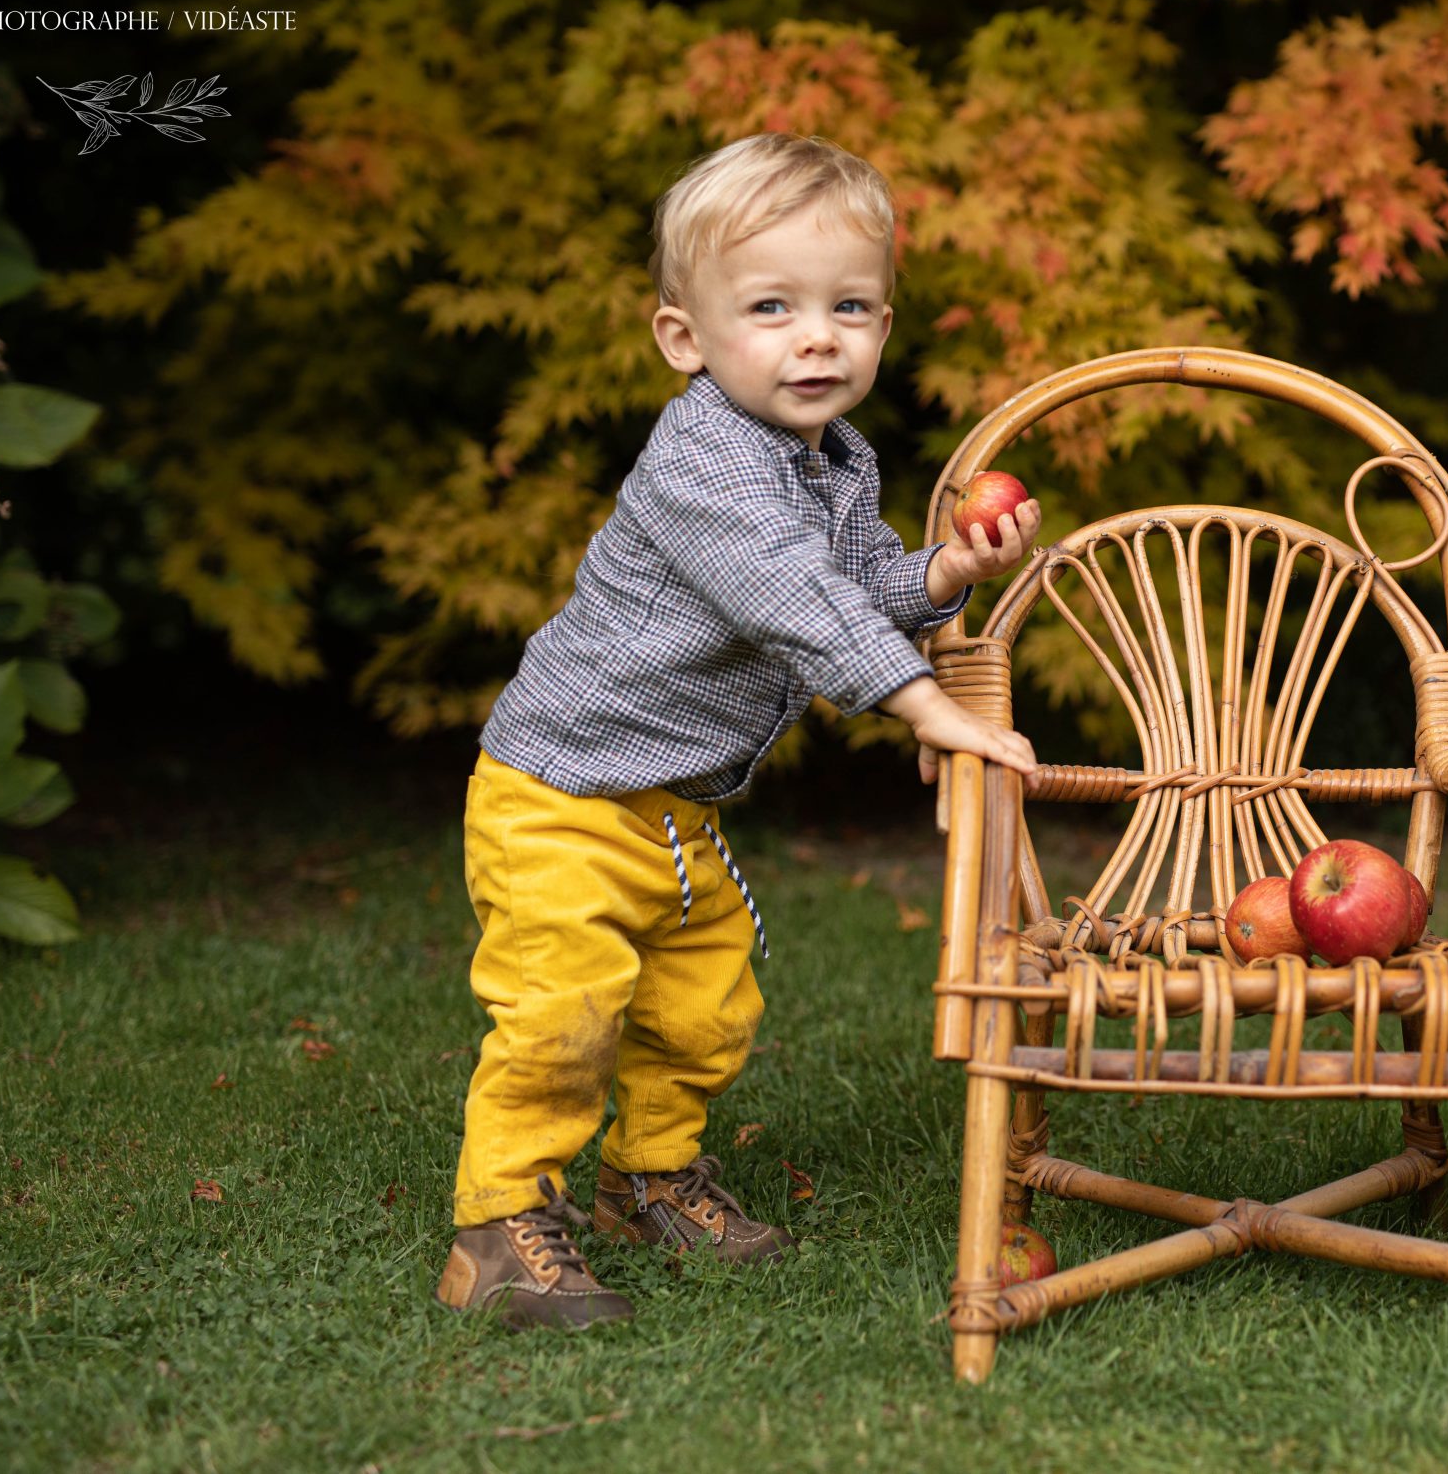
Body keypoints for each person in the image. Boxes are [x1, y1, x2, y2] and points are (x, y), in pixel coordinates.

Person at [434, 132, 1042, 1328]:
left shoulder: (824, 459)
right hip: (560, 792)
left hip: (670, 807)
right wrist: (926, 702)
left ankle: (648, 1179)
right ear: (686, 337)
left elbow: (850, 578)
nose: (816, 336)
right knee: (562, 1012)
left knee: (703, 1005)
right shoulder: (703, 461)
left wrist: (939, 576)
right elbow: (787, 594)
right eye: (770, 306)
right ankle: (497, 1228)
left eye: (849, 306)